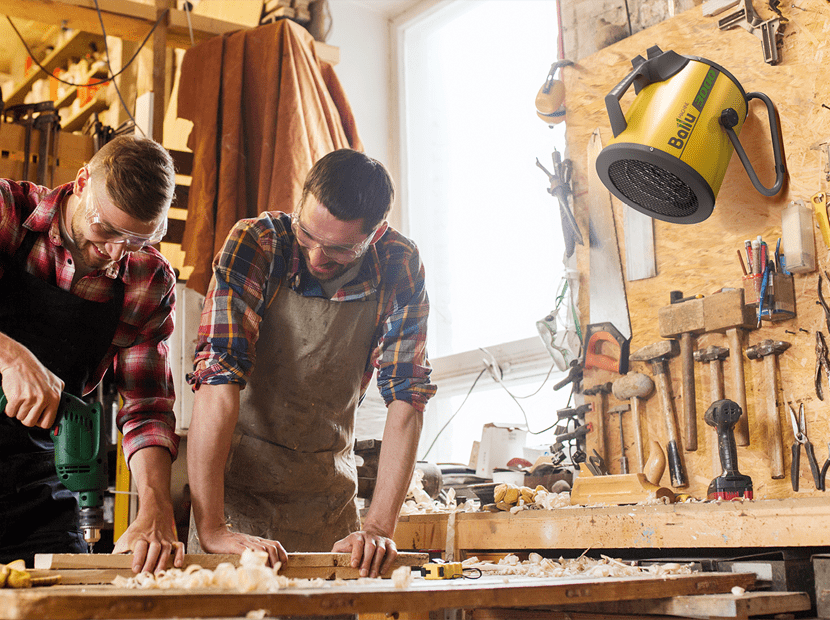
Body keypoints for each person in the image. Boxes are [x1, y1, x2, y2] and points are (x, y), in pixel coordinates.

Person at [187, 149, 437, 577]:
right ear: (300, 202)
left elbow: (407, 397)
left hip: (327, 499)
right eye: (307, 235)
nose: (318, 258)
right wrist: (212, 528)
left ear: (375, 235)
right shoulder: (257, 243)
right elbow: (217, 380)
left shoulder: (399, 263)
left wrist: (378, 528)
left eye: (340, 249)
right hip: (234, 500)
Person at [0, 135, 184, 573]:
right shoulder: (8, 213)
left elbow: (147, 406)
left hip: (38, 480)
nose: (116, 252)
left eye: (137, 239)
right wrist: (10, 356)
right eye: (106, 230)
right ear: (82, 181)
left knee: (71, 591)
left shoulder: (148, 280)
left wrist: (155, 506)